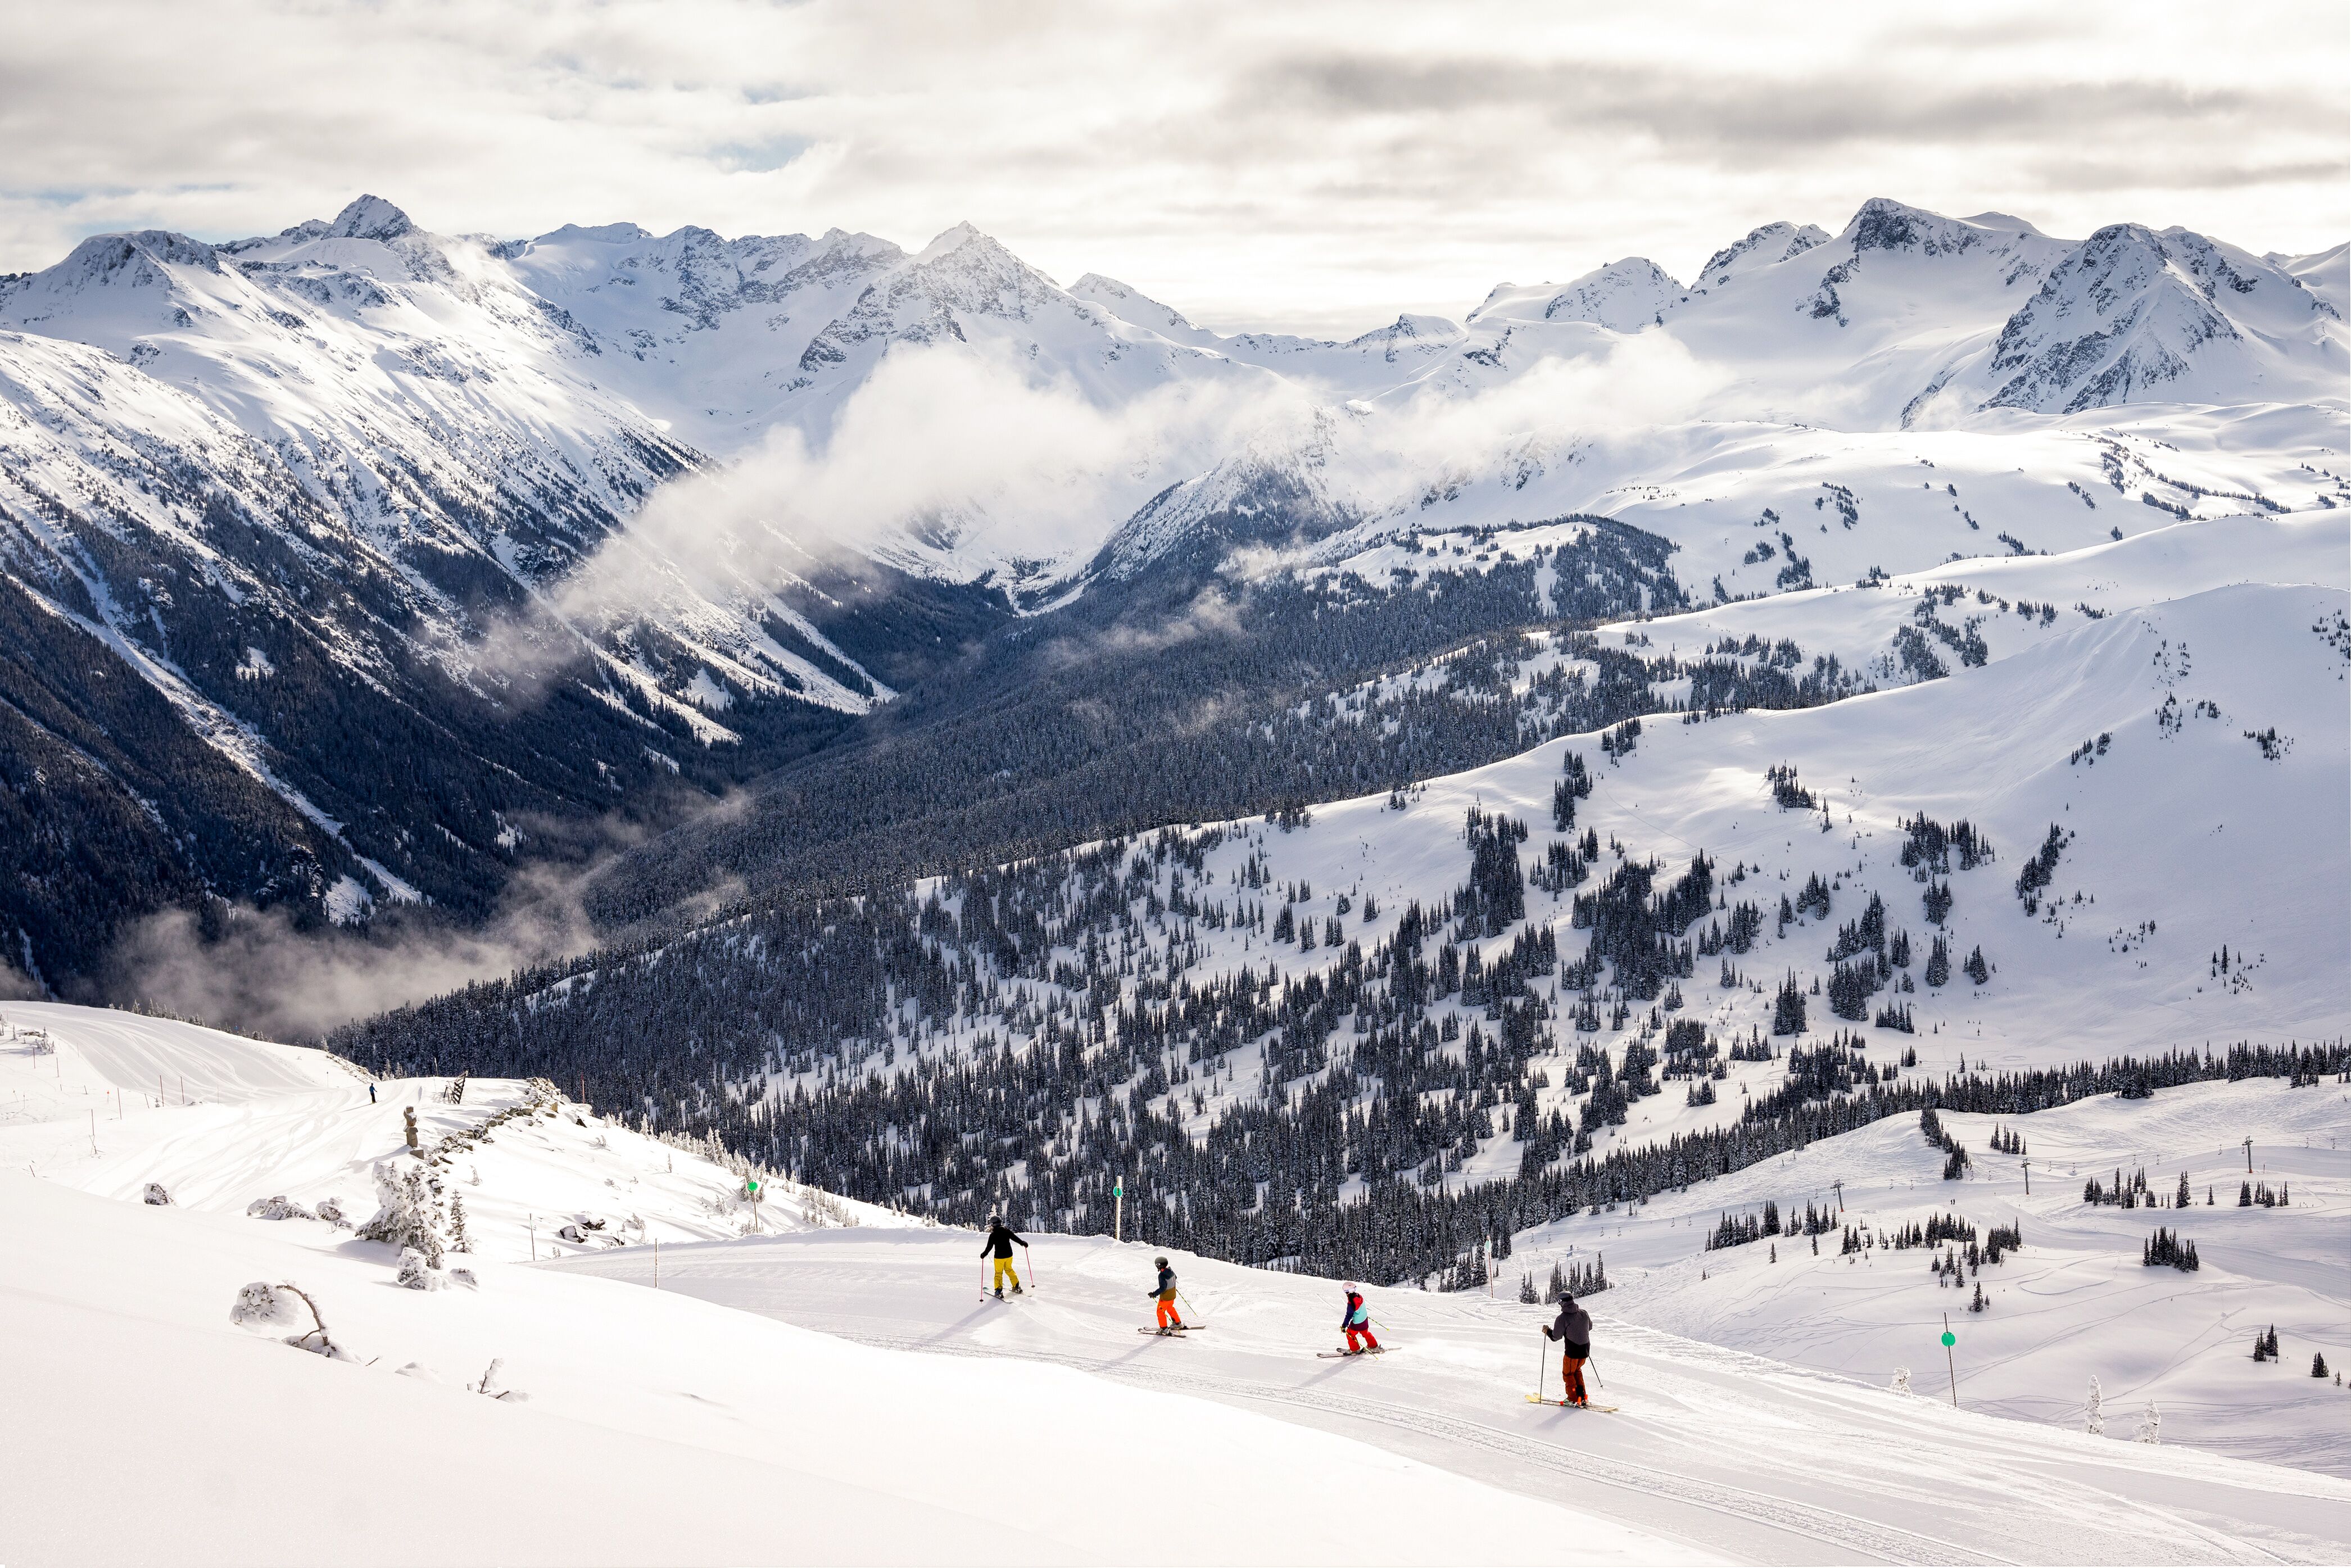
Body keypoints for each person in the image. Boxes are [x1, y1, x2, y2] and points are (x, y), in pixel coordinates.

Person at [1543, 1294, 1593, 1406]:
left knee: (1568, 1374)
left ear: (1561, 1302)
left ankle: (1573, 1398)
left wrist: (1548, 1331)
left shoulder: (1562, 1318)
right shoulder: (1583, 1313)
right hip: (1585, 1350)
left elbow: (1556, 1337)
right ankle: (1582, 1397)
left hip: (1572, 1352)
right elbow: (1589, 1327)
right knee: (1577, 1371)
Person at [980, 1216, 1027, 1298]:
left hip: (999, 1257)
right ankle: (1016, 1286)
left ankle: (998, 1291)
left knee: (998, 1273)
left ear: (993, 1224)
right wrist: (1023, 1243)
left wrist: (984, 1254)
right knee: (1009, 1270)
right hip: (1009, 1255)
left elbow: (989, 1247)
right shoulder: (1006, 1230)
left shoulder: (993, 1235)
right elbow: (1014, 1238)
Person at [1147, 1256, 1184, 1333]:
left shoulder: (1162, 1275)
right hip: (1173, 1295)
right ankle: (1178, 1323)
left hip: (1166, 1298)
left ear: (1159, 1265)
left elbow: (1163, 1288)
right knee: (1170, 1308)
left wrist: (1154, 1294)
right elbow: (1175, 1278)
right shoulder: (1170, 1270)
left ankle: (1164, 1329)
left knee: (1160, 1312)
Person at [1339, 1284, 1379, 1354]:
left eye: (1346, 1292)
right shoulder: (1359, 1296)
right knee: (1365, 1333)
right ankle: (1373, 1346)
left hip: (1358, 1323)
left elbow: (1349, 1315)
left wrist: (1344, 1326)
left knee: (1350, 1333)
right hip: (1365, 1320)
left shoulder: (1351, 1303)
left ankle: (1355, 1349)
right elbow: (1359, 1308)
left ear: (1348, 1292)